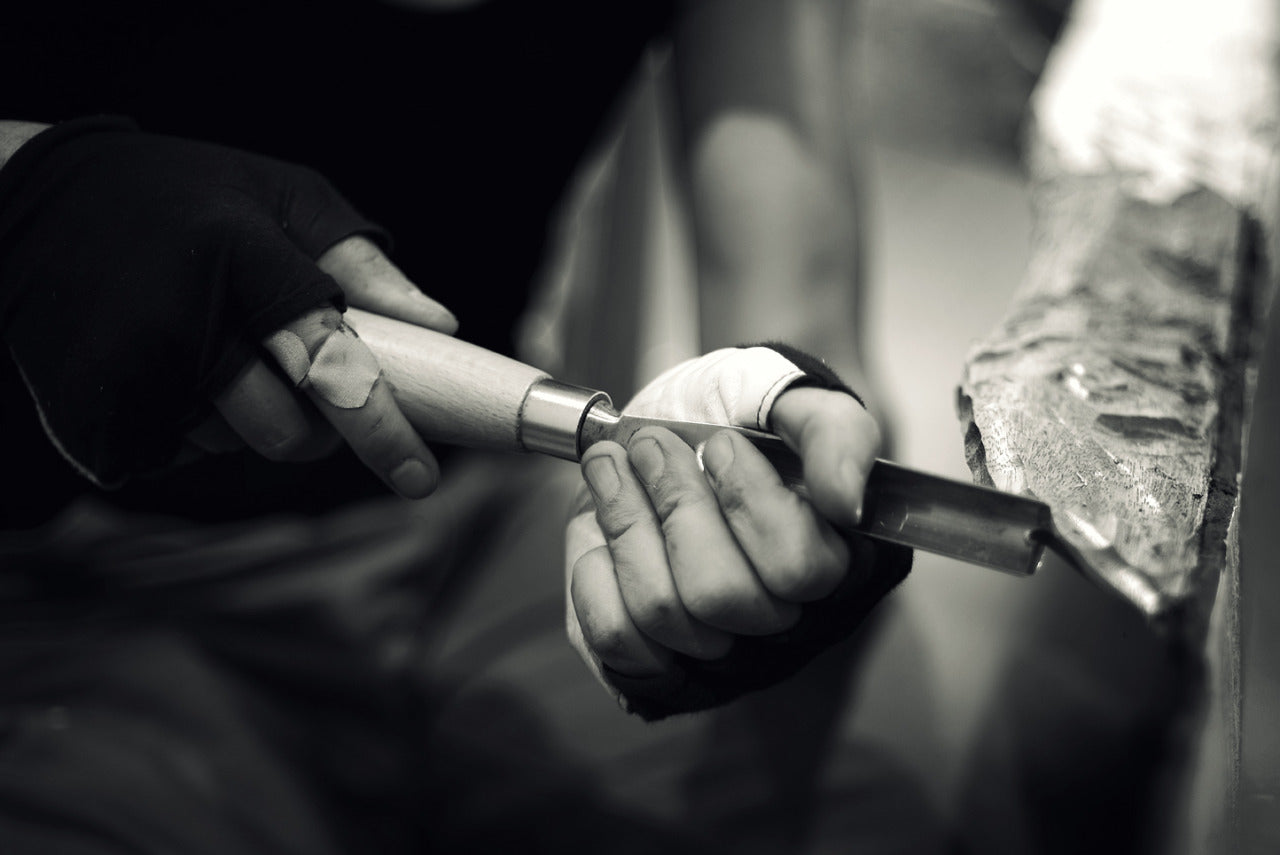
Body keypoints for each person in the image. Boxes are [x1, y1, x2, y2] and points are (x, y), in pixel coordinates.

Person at [0, 1, 928, 851]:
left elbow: (800, 324)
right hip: (78, 579)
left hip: (482, 514)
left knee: (871, 818)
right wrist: (25, 185)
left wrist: (784, 471)